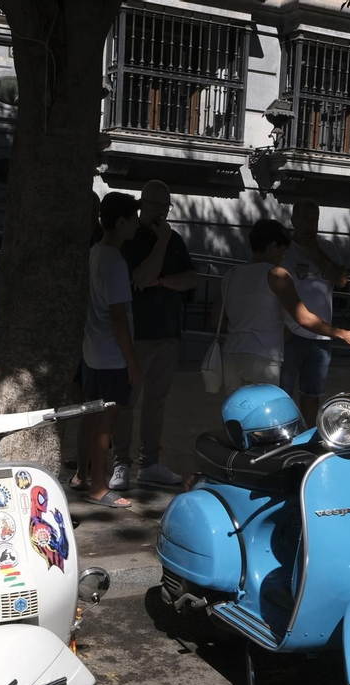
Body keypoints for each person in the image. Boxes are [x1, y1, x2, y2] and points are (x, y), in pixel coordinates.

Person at [210, 219, 350, 391]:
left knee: (237, 406)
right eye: (283, 251)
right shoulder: (276, 275)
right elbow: (304, 318)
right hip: (263, 356)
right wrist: (342, 333)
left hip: (231, 355)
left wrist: (245, 326)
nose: (283, 257)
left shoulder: (230, 275)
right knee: (266, 407)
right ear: (273, 246)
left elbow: (215, 320)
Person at [111, 180, 196, 492]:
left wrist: (162, 282)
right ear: (141, 204)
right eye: (156, 205)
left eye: (166, 206)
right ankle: (121, 462)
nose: (162, 211)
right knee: (126, 402)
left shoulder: (175, 239)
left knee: (156, 403)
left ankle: (150, 464)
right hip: (138, 334)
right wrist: (160, 243)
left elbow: (191, 278)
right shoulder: (131, 237)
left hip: (168, 332)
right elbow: (141, 278)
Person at [76, 192, 144, 509]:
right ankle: (99, 487)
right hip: (110, 355)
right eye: (133, 219)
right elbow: (118, 316)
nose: (137, 225)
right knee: (106, 421)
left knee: (91, 418)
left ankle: (83, 476)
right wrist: (132, 361)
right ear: (121, 222)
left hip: (93, 350)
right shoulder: (114, 260)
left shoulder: (95, 252)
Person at [281, 200, 349, 424]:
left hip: (321, 337)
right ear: (294, 220)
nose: (311, 225)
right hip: (290, 334)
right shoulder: (283, 250)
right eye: (305, 219)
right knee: (283, 392)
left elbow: (341, 281)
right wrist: (279, 325)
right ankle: (283, 436)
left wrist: (316, 253)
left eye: (315, 219)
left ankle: (310, 435)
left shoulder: (327, 248)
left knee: (312, 393)